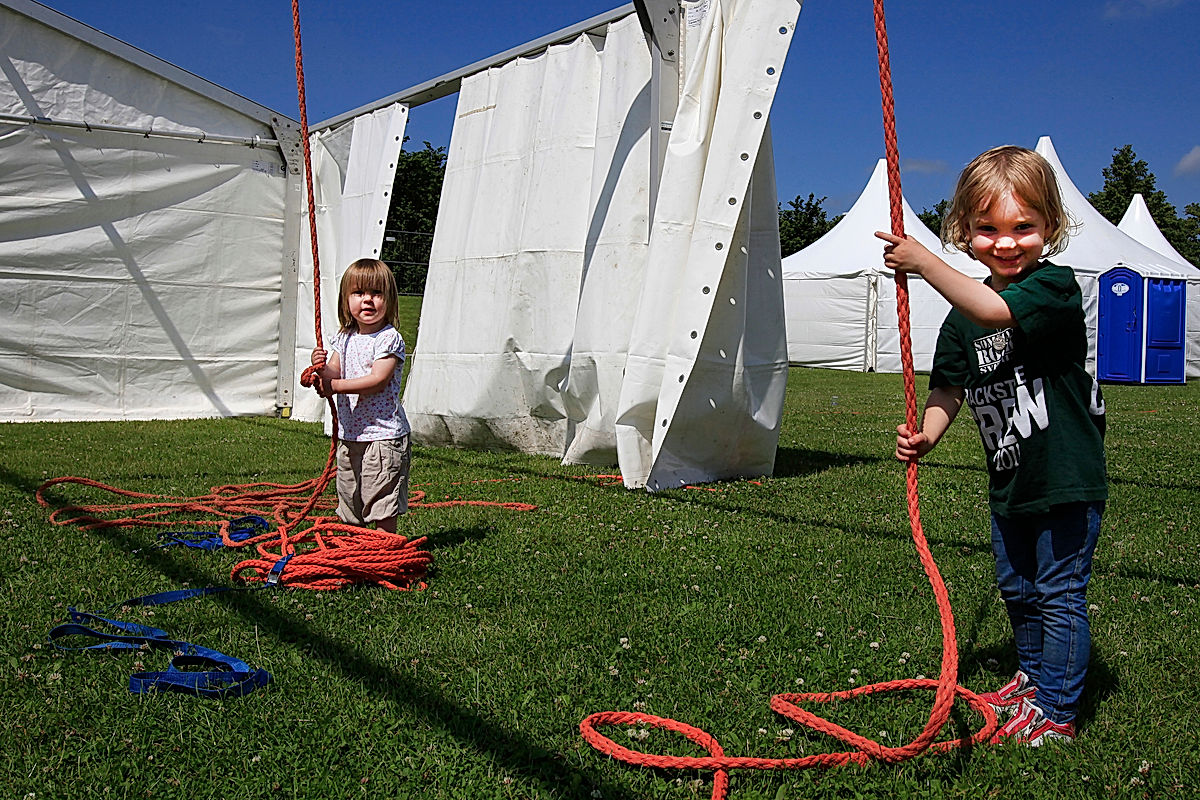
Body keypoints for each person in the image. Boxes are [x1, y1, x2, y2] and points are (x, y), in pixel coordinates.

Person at [874, 146, 1107, 746]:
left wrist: (924, 262)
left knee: (1058, 594)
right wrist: (928, 432)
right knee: (1019, 590)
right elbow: (949, 386)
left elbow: (995, 310)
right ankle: (1032, 680)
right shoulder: (961, 320)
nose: (1006, 243)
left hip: (1065, 477)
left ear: (1050, 226)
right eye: (988, 229)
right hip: (1011, 478)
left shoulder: (1053, 287)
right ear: (965, 230)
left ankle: (1057, 712)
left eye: (1023, 227)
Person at [309, 258, 411, 533]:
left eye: (376, 293)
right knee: (350, 496)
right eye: (358, 293)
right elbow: (333, 371)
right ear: (346, 300)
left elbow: (377, 380)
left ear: (389, 299)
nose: (367, 300)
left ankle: (384, 548)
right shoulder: (344, 337)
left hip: (382, 436)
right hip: (351, 434)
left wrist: (334, 386)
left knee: (381, 499)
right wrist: (320, 368)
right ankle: (357, 546)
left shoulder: (388, 339)